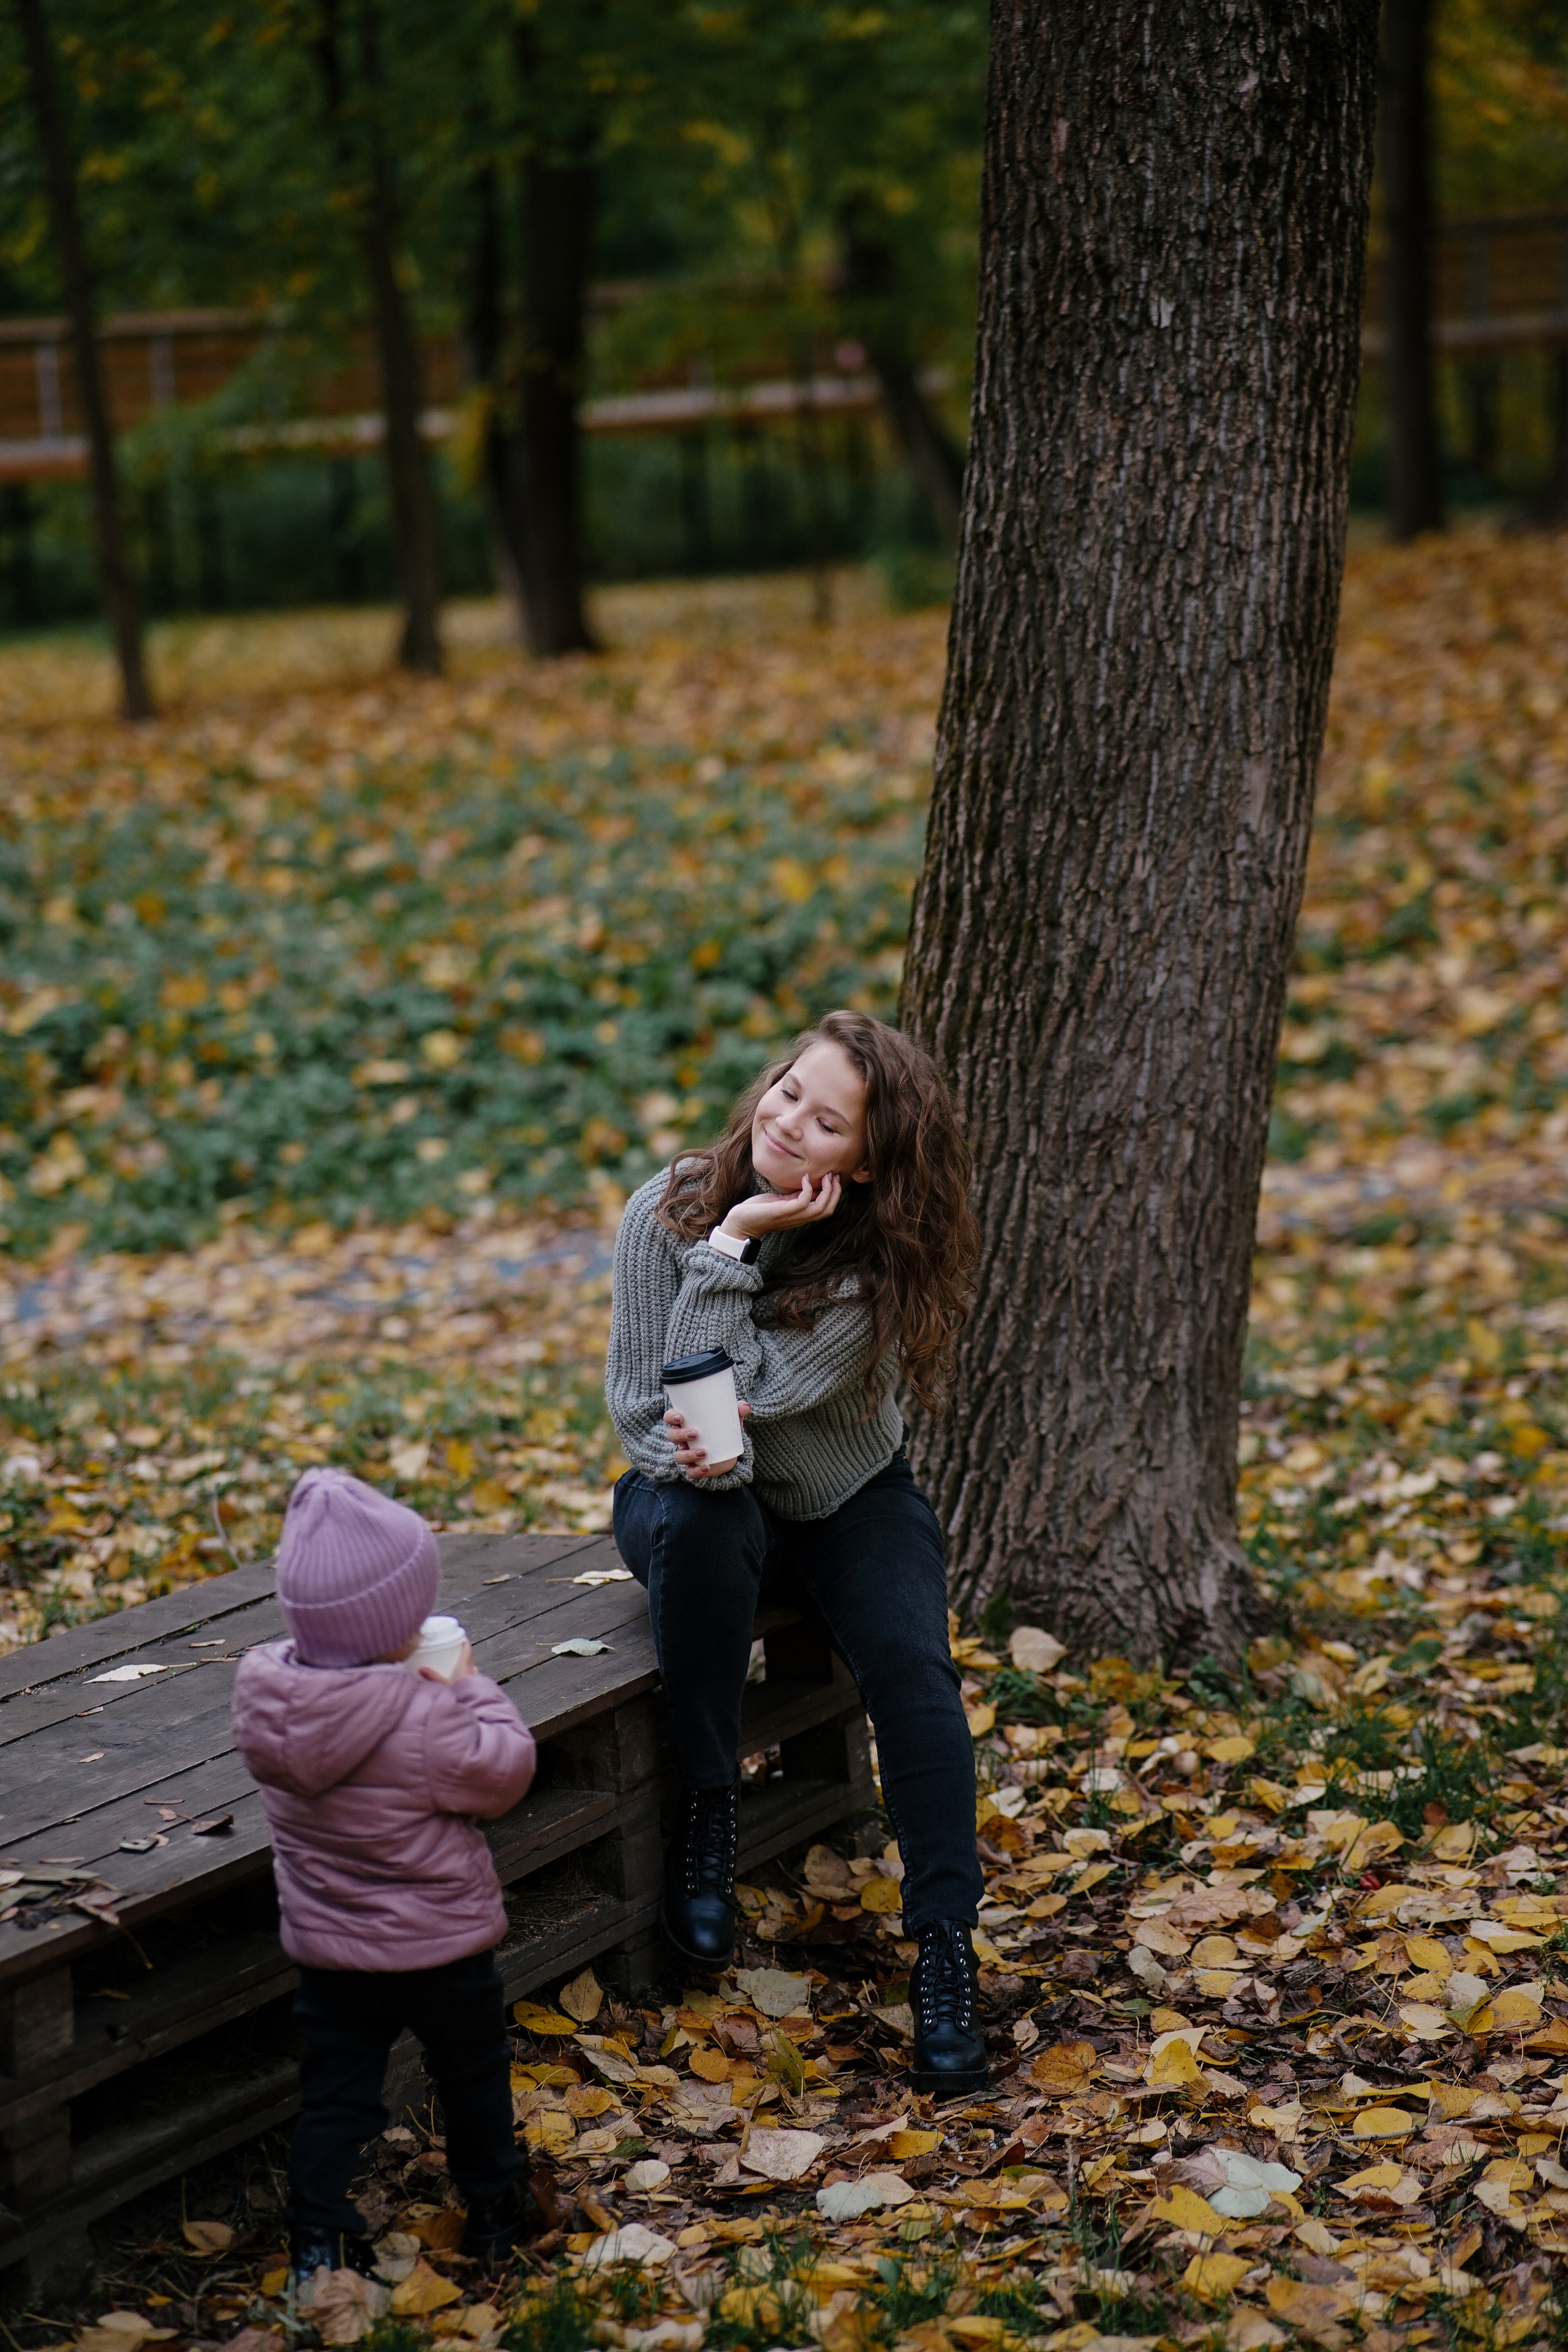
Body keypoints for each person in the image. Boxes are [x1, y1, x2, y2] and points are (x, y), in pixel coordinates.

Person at [606, 1008, 988, 2095]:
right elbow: (655, 1419)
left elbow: (748, 1403)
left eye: (828, 1125)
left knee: (915, 1670)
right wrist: (724, 1240)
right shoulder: (667, 1211)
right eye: (787, 1093)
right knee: (699, 1516)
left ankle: (947, 1951)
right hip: (686, 1498)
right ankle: (709, 1811)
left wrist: (732, 1259)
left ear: (866, 1166)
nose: (789, 1125)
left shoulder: (875, 1268)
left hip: (844, 1497)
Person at [232, 1468, 538, 2282]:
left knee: (337, 2097)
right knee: (472, 2079)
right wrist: (472, 1688)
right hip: (442, 1949)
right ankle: (495, 2212)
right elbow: (505, 1773)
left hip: (331, 1955)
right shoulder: (428, 1714)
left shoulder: (271, 1704)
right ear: (400, 1622)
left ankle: (317, 2239)